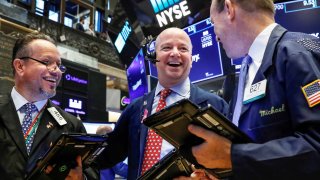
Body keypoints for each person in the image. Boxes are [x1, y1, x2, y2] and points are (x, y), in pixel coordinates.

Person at [183, 0, 320, 179]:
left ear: (229, 8)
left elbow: (315, 145)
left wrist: (232, 157)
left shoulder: (297, 53)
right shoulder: (246, 72)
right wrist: (220, 172)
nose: (215, 36)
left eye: (213, 23)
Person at [95, 27, 229, 180]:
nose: (175, 53)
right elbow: (107, 155)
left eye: (183, 48)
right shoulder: (136, 108)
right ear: (154, 58)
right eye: (166, 47)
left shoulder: (215, 106)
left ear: (191, 59)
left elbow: (232, 163)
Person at [0, 32, 90, 179]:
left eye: (59, 65)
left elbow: (90, 171)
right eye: (46, 62)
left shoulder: (72, 126)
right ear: (20, 66)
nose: (57, 71)